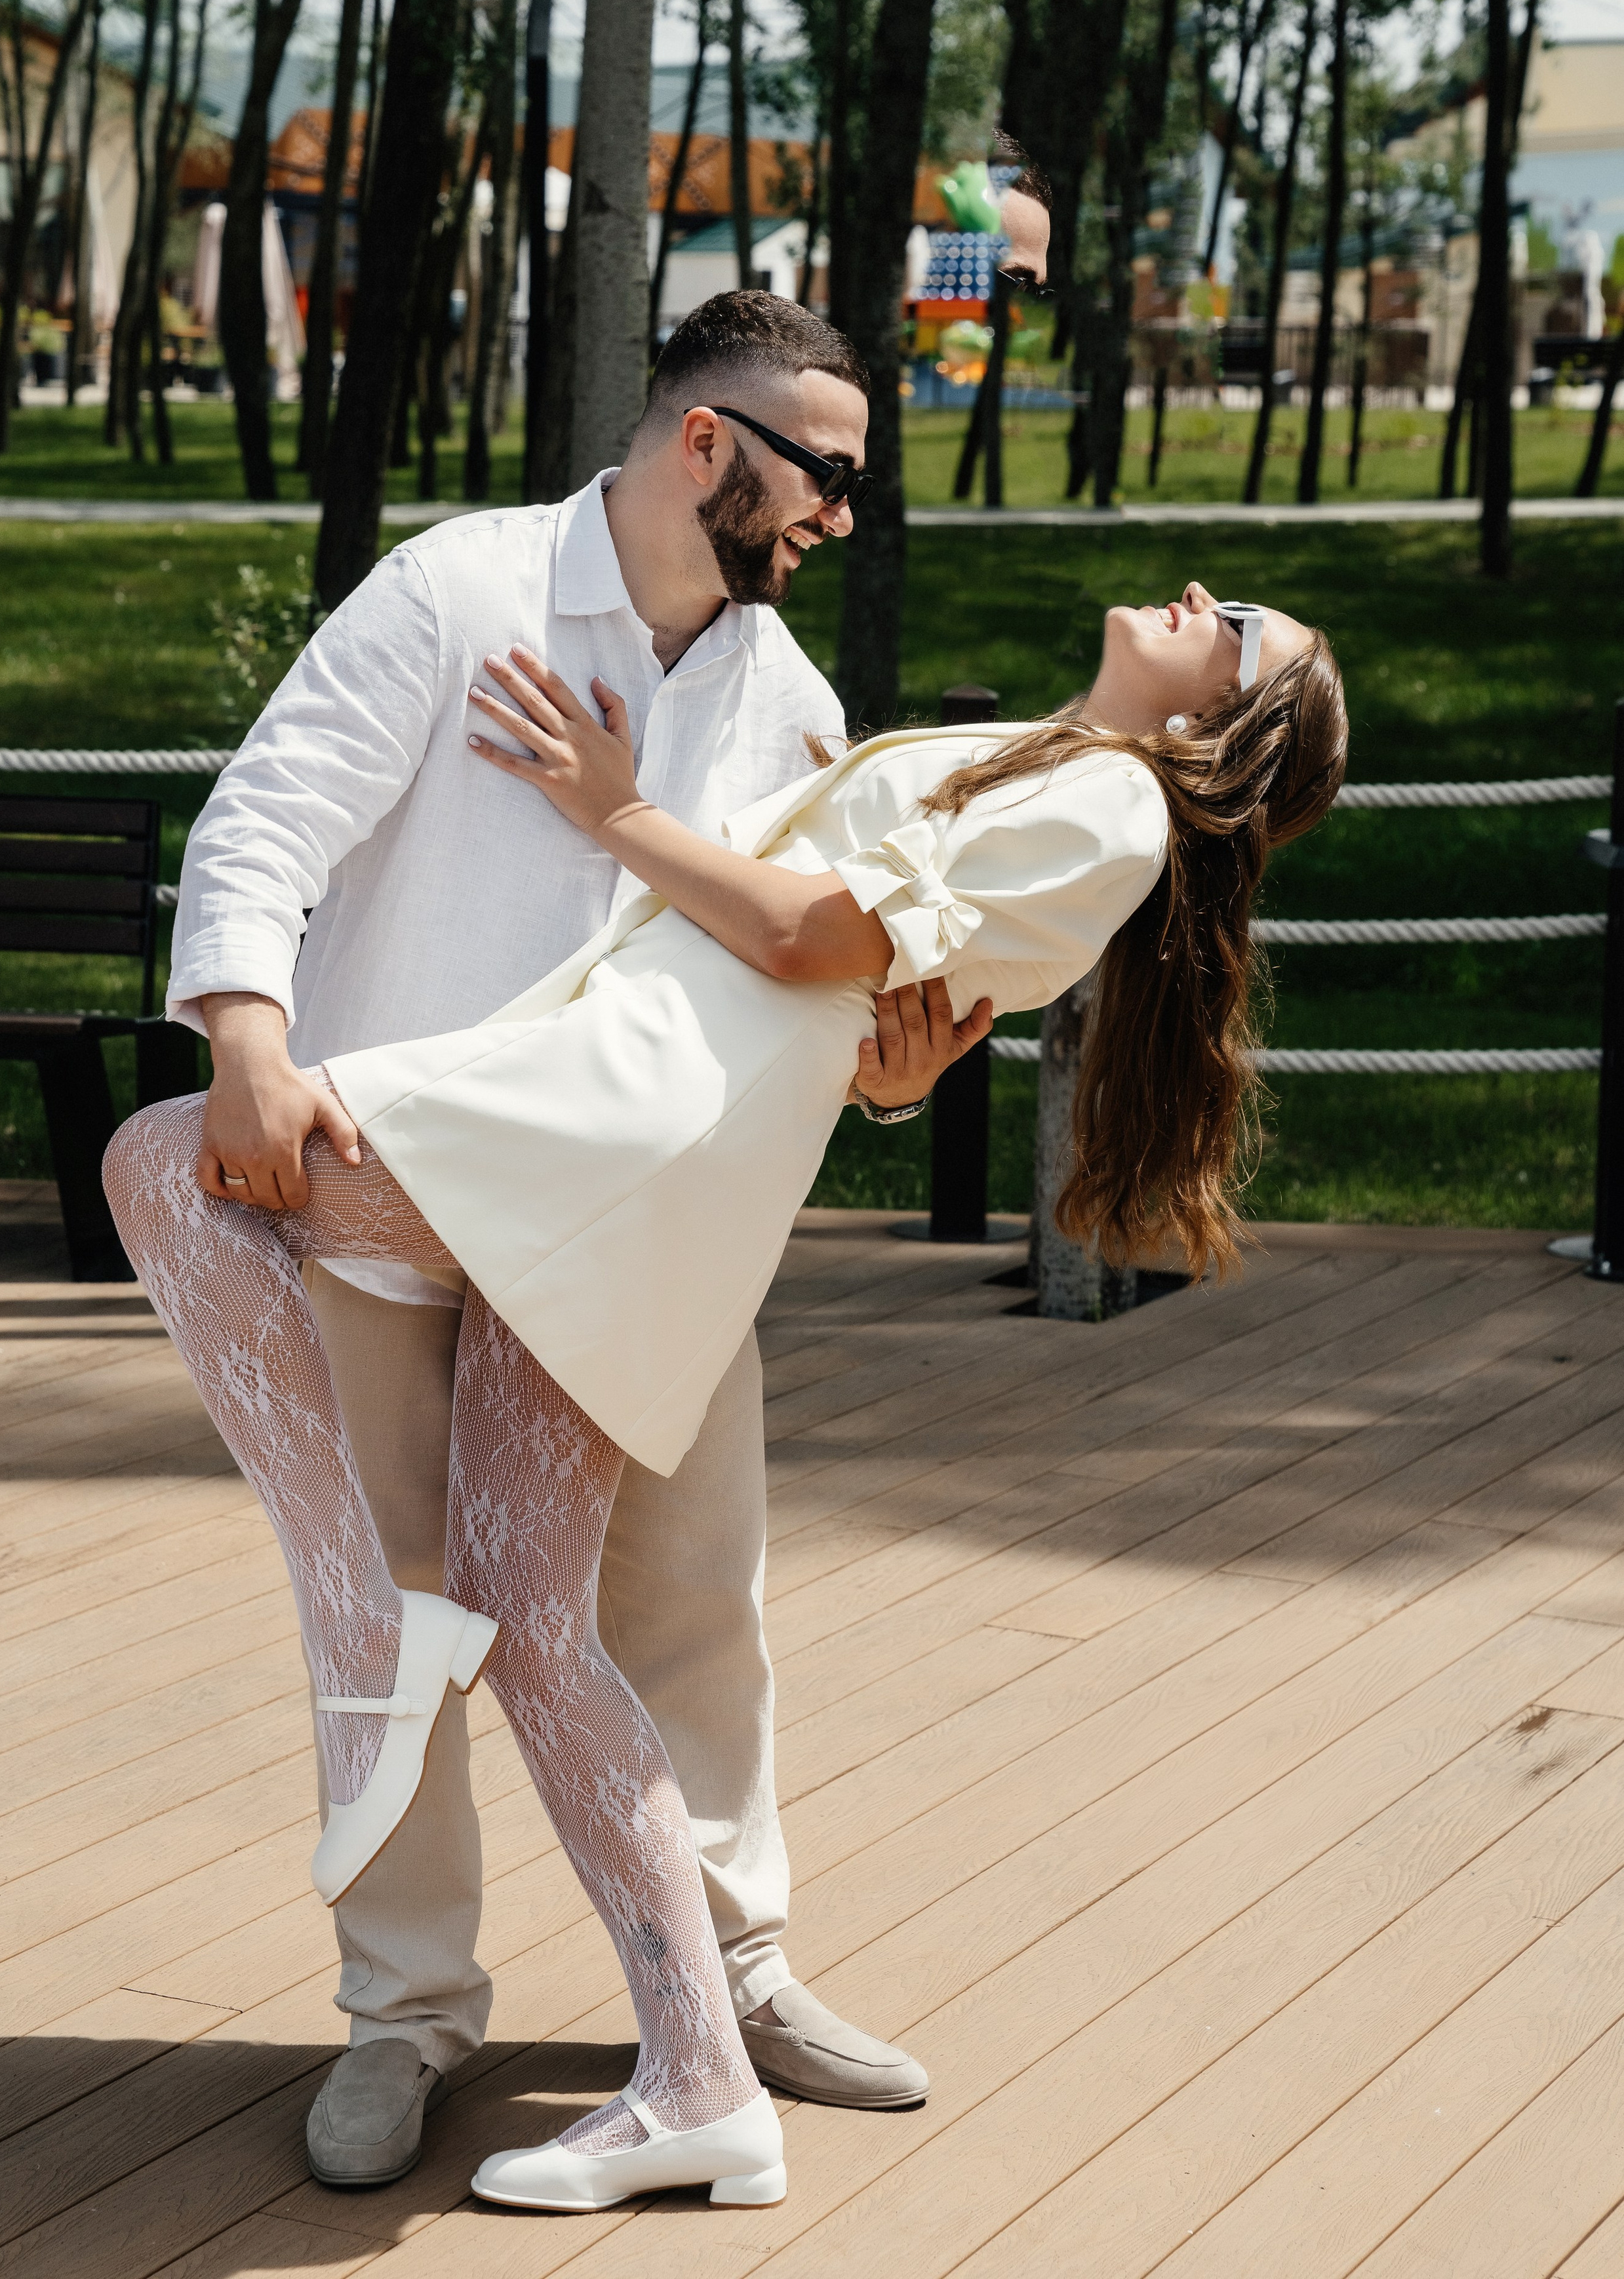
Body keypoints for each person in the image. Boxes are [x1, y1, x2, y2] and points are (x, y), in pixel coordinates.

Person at [106, 579, 1348, 2214]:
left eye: (1240, 626)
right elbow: (849, 977)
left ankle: (371, 1621)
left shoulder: (1106, 796)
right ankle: (695, 2081)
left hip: (610, 1131)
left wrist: (616, 811)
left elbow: (799, 938)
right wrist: (877, 1048)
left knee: (169, 1170)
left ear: (1220, 722)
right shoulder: (1035, 763)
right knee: (531, 1619)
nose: (1208, 597)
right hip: (624, 1129)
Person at [151, 291, 985, 2190]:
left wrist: (887, 1074)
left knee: (695, 1606)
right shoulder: (459, 596)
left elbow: (795, 967)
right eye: (829, 474)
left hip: (640, 1236)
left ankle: (736, 1976)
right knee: (389, 1631)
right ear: (712, 447)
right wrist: (249, 1048)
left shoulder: (780, 695)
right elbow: (266, 821)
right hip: (387, 1205)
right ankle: (405, 2014)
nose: (844, 513)